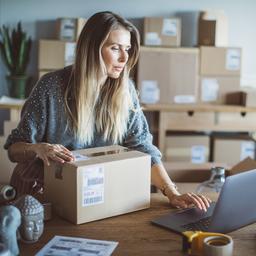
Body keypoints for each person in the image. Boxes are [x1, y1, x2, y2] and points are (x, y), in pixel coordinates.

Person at [4, 11, 210, 211]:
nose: (124, 58)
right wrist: (38, 148)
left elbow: (143, 147)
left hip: (91, 194)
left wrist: (172, 192)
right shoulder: (50, 86)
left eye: (127, 49)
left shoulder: (126, 90)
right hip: (37, 195)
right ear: (91, 49)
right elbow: (14, 149)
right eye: (115, 48)